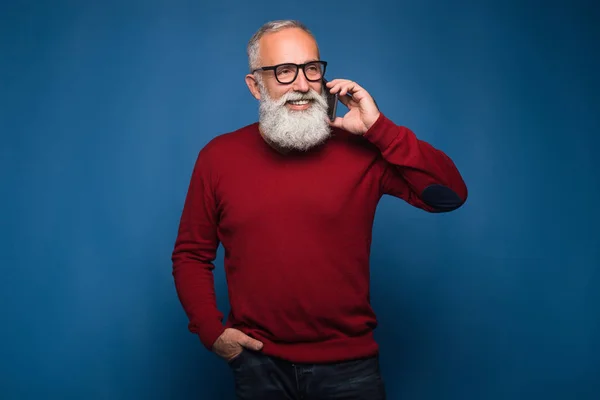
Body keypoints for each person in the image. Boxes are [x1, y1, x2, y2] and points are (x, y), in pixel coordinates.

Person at [171, 19, 468, 400]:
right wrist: (212, 333)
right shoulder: (218, 156)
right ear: (255, 86)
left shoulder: (362, 150)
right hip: (259, 366)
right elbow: (191, 254)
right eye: (283, 71)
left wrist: (379, 127)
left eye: (311, 69)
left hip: (351, 369)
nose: (301, 84)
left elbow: (449, 195)